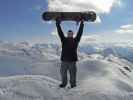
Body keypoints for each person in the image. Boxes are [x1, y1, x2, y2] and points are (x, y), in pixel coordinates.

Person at [56, 19, 84, 88]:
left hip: (72, 62)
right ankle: (64, 84)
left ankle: (73, 85)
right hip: (64, 61)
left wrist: (82, 24)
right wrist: (57, 24)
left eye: (71, 34)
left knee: (73, 75)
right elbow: (60, 33)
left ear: (72, 35)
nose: (70, 34)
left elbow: (80, 33)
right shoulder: (64, 40)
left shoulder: (76, 40)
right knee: (63, 74)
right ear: (67, 35)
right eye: (69, 34)